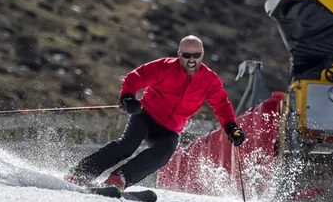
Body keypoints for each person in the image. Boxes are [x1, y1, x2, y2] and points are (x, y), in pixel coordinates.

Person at [64, 35, 245, 190]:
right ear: (179, 55)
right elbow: (135, 77)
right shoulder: (165, 67)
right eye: (187, 55)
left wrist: (231, 128)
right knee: (127, 145)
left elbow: (221, 105)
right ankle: (80, 173)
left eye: (196, 56)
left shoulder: (209, 80)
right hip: (146, 116)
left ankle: (119, 179)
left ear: (202, 56)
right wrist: (127, 98)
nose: (191, 60)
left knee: (163, 152)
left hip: (169, 129)